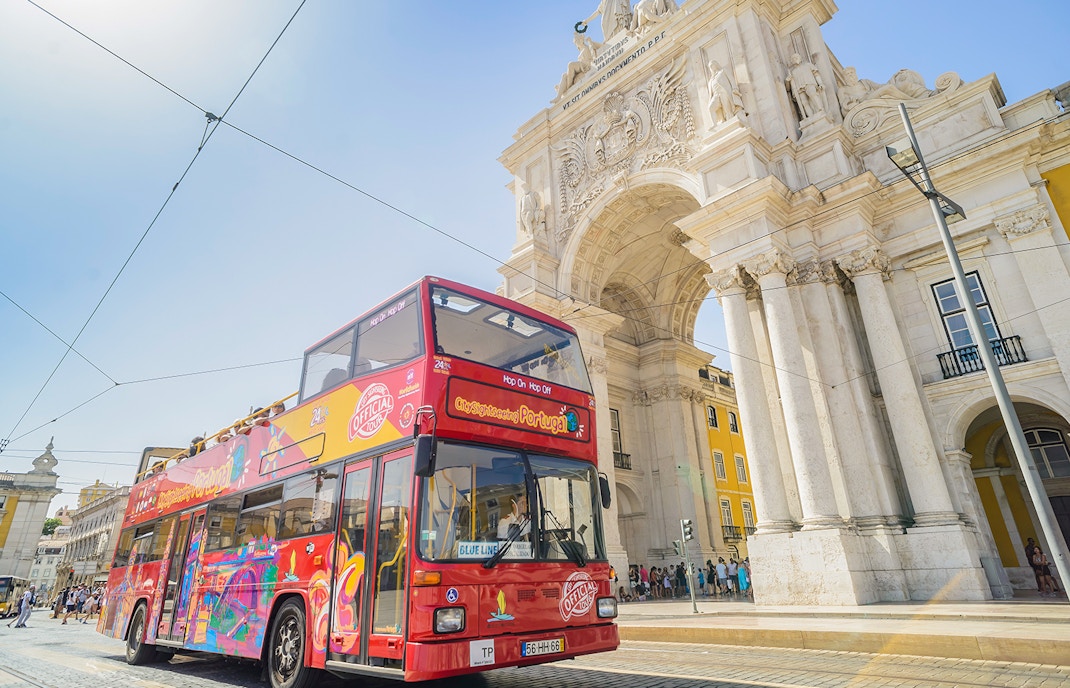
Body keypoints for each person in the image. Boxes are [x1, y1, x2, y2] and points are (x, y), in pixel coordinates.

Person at [785, 52, 825, 119]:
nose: (795, 59)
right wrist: (787, 81)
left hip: (809, 83)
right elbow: (788, 89)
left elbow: (816, 74)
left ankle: (820, 110)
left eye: (796, 57)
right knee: (804, 103)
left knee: (812, 95)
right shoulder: (793, 72)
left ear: (800, 58)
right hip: (799, 88)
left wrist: (820, 83)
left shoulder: (808, 65)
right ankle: (810, 117)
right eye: (793, 58)